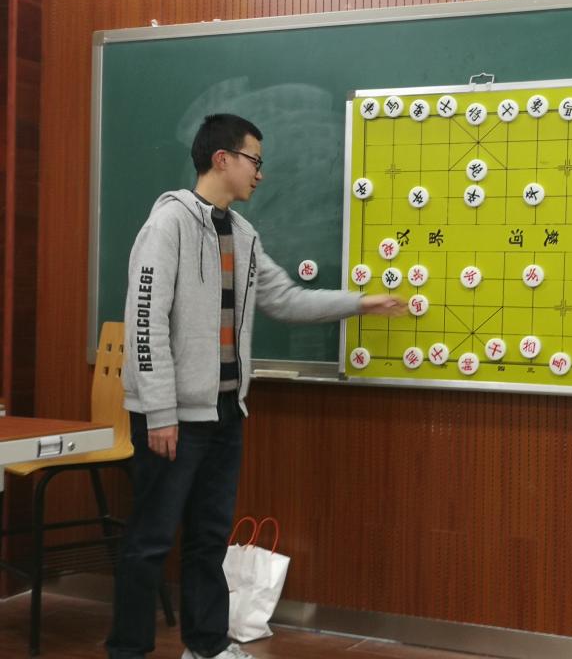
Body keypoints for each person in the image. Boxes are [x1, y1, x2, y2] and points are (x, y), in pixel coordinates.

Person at [107, 114, 404, 659]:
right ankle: (127, 651)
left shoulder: (242, 235)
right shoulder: (168, 224)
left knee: (208, 539)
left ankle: (206, 647)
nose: (260, 174)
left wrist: (361, 303)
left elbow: (285, 300)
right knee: (150, 541)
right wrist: (160, 412)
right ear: (222, 159)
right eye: (254, 161)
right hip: (171, 417)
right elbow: (144, 322)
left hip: (225, 413)